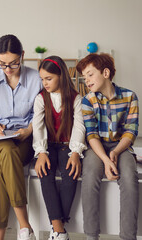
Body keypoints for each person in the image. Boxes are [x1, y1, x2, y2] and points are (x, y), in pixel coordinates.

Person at [0, 34, 43, 240]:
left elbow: (41, 113)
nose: (7, 69)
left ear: (22, 56)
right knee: (6, 151)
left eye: (13, 64)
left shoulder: (36, 78)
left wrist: (29, 130)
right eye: (2, 64)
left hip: (23, 138)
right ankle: (25, 226)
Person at [76, 53, 139, 240]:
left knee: (129, 177)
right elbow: (92, 135)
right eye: (84, 77)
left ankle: (128, 236)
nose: (86, 80)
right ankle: (91, 236)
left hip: (121, 146)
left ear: (105, 72)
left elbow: (130, 132)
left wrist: (116, 152)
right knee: (90, 176)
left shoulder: (130, 97)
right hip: (97, 147)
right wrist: (105, 159)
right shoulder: (87, 101)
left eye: (90, 74)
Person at [33, 56, 87, 240]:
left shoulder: (75, 98)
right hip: (47, 146)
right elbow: (38, 127)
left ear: (61, 76)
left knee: (71, 173)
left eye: (49, 78)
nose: (44, 83)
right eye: (42, 79)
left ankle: (57, 229)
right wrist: (41, 152)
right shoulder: (41, 98)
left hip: (67, 146)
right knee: (45, 173)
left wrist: (75, 153)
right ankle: (59, 229)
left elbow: (79, 126)